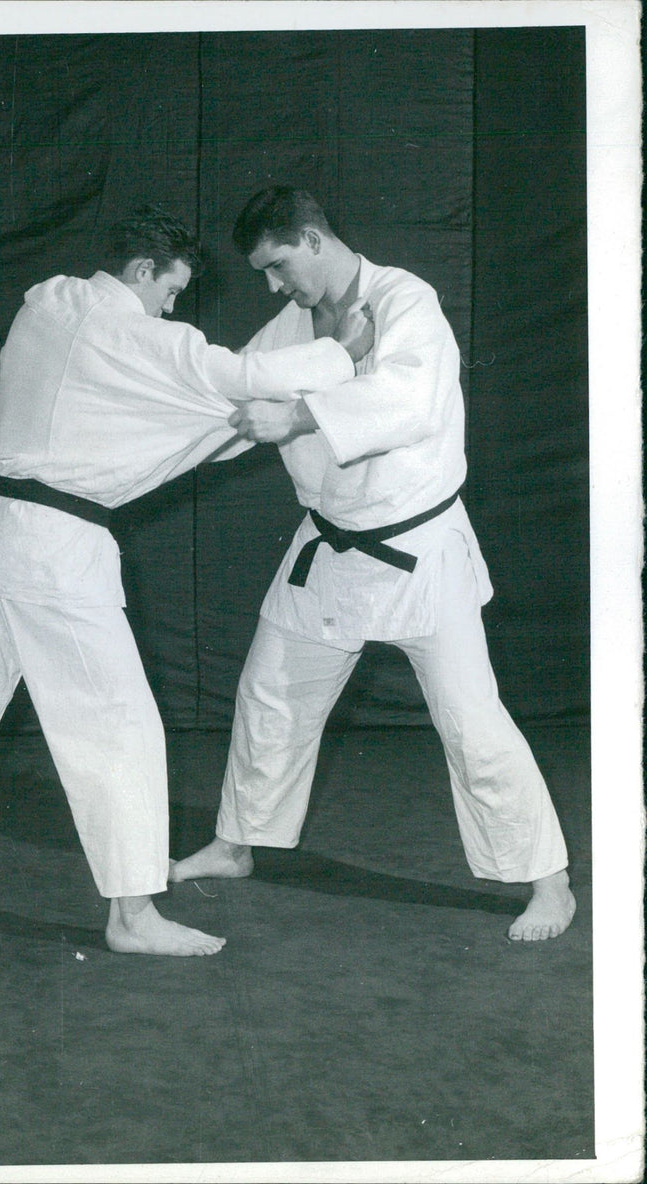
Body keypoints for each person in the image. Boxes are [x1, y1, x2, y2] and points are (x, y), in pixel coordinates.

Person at [0, 205, 375, 958]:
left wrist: (231, 417)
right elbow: (237, 375)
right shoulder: (130, 332)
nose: (171, 307)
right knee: (121, 728)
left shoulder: (47, 301)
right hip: (50, 549)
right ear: (143, 270)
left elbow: (140, 413)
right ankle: (132, 915)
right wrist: (343, 353)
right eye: (170, 291)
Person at [169, 187, 577, 943]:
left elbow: (410, 399)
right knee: (271, 696)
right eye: (262, 272)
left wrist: (294, 415)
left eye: (279, 264)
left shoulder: (405, 300)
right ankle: (235, 845)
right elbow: (241, 385)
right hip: (328, 546)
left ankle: (547, 883)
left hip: (417, 549)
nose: (273, 285)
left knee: (471, 724)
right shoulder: (293, 323)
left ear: (315, 239)